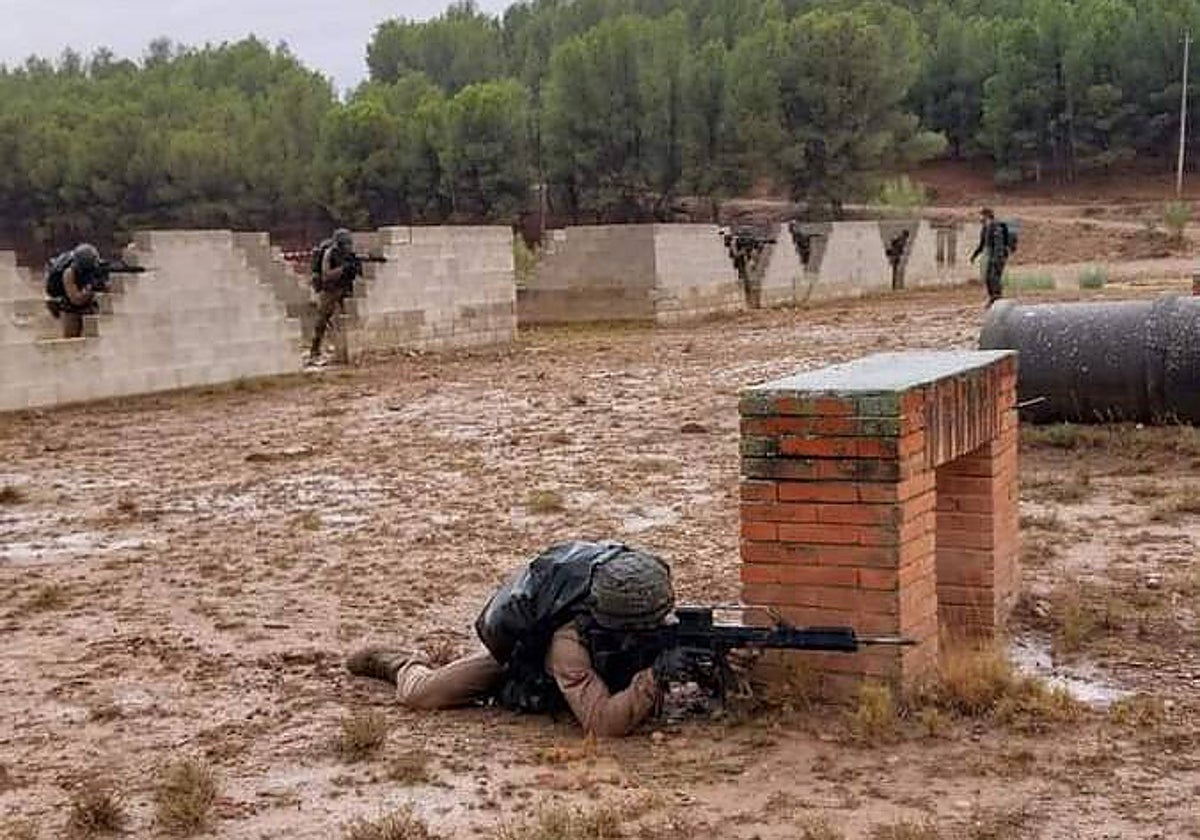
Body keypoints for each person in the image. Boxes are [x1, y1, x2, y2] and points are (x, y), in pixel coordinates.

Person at [346, 541, 680, 738]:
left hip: (583, 667)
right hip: (523, 659)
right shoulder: (569, 643)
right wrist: (652, 680)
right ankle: (403, 662)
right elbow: (602, 725)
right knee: (423, 695)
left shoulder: (646, 604)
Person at [307, 228, 358, 366]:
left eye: (349, 243)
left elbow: (354, 268)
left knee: (346, 317)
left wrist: (353, 267)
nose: (348, 246)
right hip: (329, 289)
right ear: (340, 243)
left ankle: (345, 349)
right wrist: (343, 269)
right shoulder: (329, 254)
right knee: (322, 320)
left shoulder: (347, 254)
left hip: (344, 288)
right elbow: (327, 275)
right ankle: (315, 350)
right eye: (346, 244)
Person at [45, 243, 103, 338]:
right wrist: (90, 289)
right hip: (69, 306)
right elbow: (75, 299)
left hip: (87, 304)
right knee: (71, 339)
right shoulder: (69, 273)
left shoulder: (95, 269)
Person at [970, 208, 1014, 306]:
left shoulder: (996, 226)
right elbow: (982, 244)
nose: (979, 218)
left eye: (981, 216)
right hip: (992, 255)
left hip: (999, 255)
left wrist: (997, 257)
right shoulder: (985, 228)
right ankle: (993, 298)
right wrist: (974, 255)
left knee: (994, 277)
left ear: (986, 216)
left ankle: (998, 298)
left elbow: (999, 243)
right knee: (988, 278)